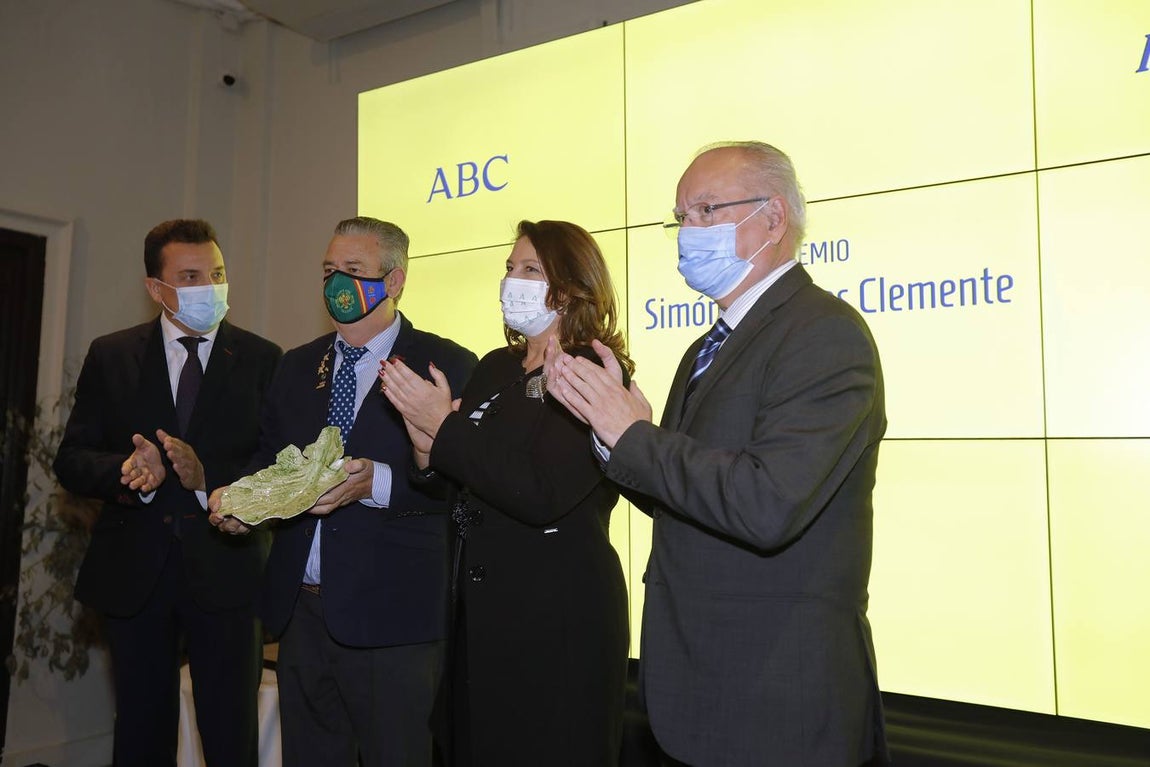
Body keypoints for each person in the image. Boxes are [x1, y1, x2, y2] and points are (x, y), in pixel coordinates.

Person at [545, 141, 890, 766]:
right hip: (701, 687)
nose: (688, 233)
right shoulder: (707, 347)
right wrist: (610, 431)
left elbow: (767, 504)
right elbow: (684, 501)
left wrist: (636, 437)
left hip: (777, 694)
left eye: (706, 210)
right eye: (681, 217)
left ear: (774, 219)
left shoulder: (824, 334)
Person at [209, 216, 477, 767]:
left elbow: (466, 487)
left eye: (353, 271)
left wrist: (376, 483)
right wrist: (243, 506)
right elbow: (270, 462)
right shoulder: (297, 365)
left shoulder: (444, 364)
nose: (336, 284)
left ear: (395, 281)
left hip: (394, 621)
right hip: (301, 618)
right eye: (329, 270)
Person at [379, 219, 632, 766]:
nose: (511, 280)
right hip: (481, 615)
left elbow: (541, 492)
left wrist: (443, 431)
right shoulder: (495, 367)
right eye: (509, 268)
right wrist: (425, 444)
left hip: (555, 619)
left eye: (530, 269)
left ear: (569, 288)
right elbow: (464, 481)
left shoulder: (591, 371)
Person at [52, 219, 282, 767]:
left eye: (218, 274)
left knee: (230, 737)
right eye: (191, 276)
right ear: (156, 287)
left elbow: (273, 466)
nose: (210, 287)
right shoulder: (112, 355)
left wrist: (208, 480)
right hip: (136, 574)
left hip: (228, 574)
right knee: (140, 734)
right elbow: (73, 459)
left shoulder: (263, 359)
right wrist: (128, 471)